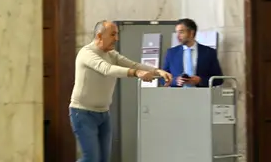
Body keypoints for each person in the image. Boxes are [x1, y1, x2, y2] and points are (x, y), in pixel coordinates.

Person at [69, 20, 173, 162]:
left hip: (103, 114)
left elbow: (134, 64)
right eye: (112, 34)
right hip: (82, 113)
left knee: (103, 159)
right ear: (99, 36)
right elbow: (107, 69)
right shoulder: (87, 53)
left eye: (117, 34)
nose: (116, 38)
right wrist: (136, 73)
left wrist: (157, 71)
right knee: (91, 158)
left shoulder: (112, 54)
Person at [162, 18, 224, 87]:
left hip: (201, 92)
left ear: (191, 33)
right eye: (177, 32)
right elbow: (162, 78)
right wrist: (175, 81)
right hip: (178, 93)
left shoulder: (208, 52)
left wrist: (200, 80)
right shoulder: (171, 53)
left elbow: (219, 79)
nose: (178, 36)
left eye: (181, 32)